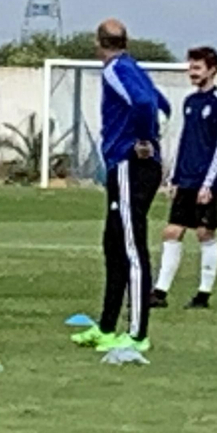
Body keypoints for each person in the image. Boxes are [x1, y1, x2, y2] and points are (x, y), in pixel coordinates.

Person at [71, 18, 171, 354]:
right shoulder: (134, 68)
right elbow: (165, 108)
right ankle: (107, 327)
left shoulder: (116, 70)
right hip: (126, 167)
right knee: (113, 246)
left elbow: (145, 105)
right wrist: (155, 136)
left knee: (131, 247)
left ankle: (138, 333)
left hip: (130, 166)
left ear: (98, 43)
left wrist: (144, 141)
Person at [151, 45, 217, 311]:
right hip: (186, 178)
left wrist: (209, 183)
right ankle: (160, 292)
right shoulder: (189, 101)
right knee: (172, 231)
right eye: (190, 68)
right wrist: (173, 178)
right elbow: (184, 141)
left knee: (203, 232)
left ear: (212, 70)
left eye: (197, 68)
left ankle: (203, 294)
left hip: (208, 181)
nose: (192, 73)